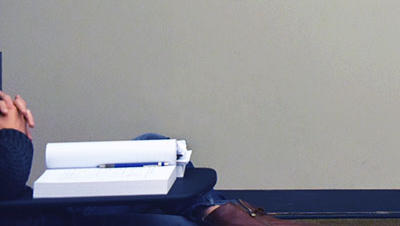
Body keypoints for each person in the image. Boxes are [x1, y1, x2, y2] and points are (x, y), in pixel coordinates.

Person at [0, 90, 307, 225]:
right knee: (176, 222)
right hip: (37, 217)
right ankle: (227, 215)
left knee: (153, 144)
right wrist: (13, 132)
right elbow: (9, 175)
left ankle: (216, 211)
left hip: (41, 208)